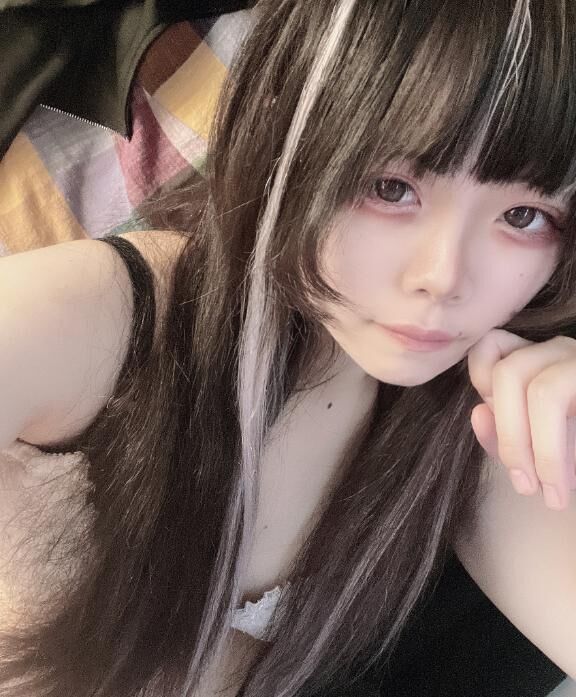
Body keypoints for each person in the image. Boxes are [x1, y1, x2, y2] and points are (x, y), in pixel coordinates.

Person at [0, 0, 574, 695]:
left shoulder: (475, 421)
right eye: (390, 188)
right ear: (286, 138)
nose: (444, 278)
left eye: (523, 215)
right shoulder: (103, 322)